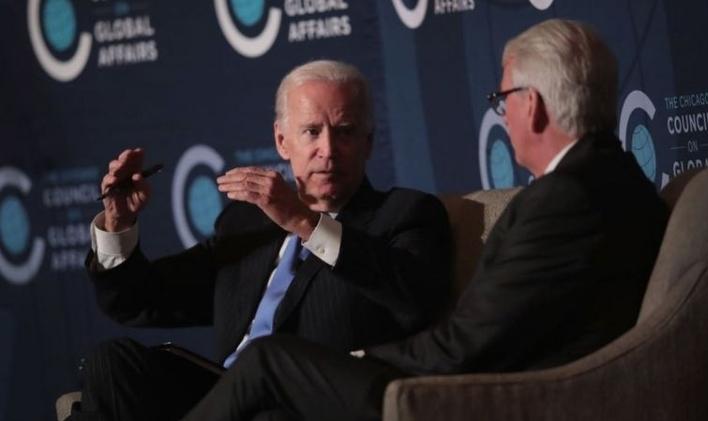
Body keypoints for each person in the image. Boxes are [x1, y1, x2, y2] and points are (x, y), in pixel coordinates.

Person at [179, 19, 670, 421]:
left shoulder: (566, 200)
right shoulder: (614, 181)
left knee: (270, 360)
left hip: (478, 396)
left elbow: (470, 343)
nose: (503, 116)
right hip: (507, 378)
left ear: (532, 105)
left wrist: (360, 360)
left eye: (503, 100)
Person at [69, 60, 451, 420]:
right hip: (223, 398)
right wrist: (118, 224)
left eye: (346, 131)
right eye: (312, 132)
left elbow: (414, 299)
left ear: (369, 142)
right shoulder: (247, 223)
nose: (329, 150)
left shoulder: (404, 213)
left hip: (304, 405)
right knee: (112, 360)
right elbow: (142, 301)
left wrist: (304, 222)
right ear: (282, 141)